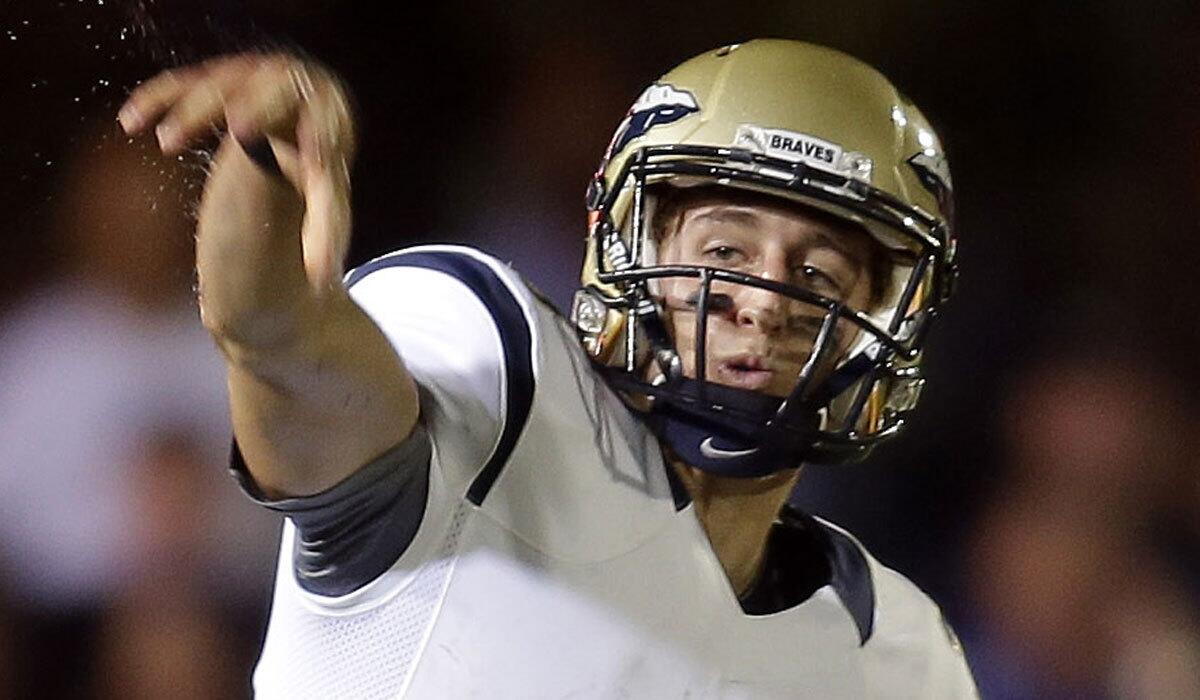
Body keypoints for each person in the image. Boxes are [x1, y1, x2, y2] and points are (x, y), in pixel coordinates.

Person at [119, 39, 976, 698]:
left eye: (819, 273)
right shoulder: (495, 384)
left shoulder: (895, 653)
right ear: (633, 243)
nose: (764, 298)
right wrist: (262, 155)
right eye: (725, 247)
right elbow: (271, 329)